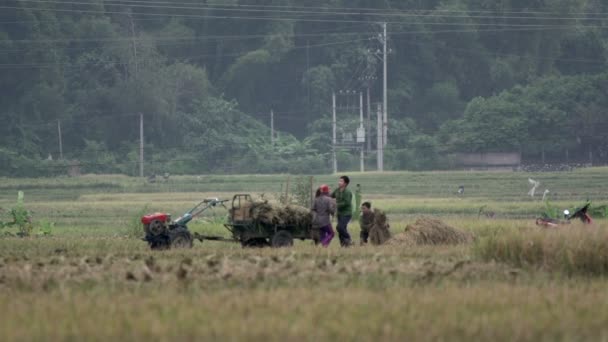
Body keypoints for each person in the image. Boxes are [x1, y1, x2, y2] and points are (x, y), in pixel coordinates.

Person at [331, 175, 353, 247]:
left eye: (341, 181)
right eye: (339, 181)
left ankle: (349, 238)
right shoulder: (337, 190)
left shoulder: (347, 192)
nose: (339, 182)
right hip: (340, 213)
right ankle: (344, 245)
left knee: (339, 227)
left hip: (346, 213)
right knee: (341, 230)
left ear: (345, 183)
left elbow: (346, 203)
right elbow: (331, 196)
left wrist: (336, 204)